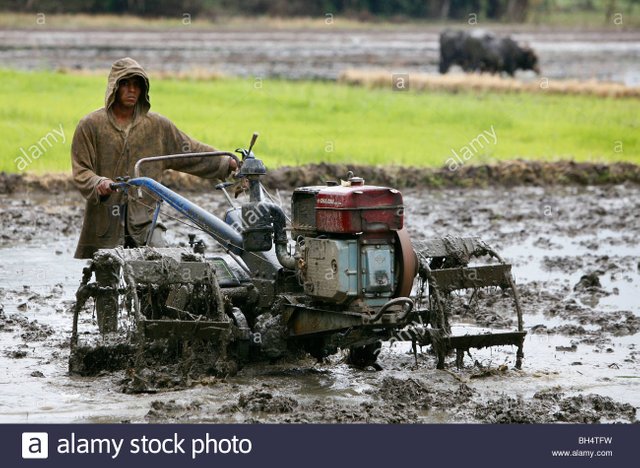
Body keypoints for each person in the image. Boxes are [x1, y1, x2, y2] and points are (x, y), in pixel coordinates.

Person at [71, 57, 236, 259]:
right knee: (106, 277)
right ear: (114, 87)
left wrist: (226, 162)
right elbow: (81, 170)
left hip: (145, 216)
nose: (132, 90)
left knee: (162, 260)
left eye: (137, 85)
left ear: (143, 89)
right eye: (126, 84)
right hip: (106, 217)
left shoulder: (157, 126)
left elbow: (190, 151)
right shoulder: (91, 125)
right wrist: (99, 182)